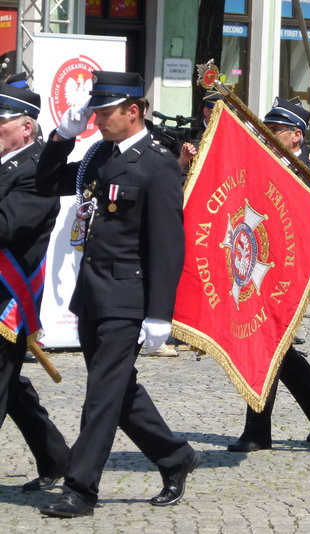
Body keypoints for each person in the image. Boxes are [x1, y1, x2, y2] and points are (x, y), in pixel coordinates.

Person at [35, 71, 198, 517]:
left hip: (127, 294)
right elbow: (48, 183)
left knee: (102, 393)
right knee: (119, 390)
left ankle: (81, 488)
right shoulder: (99, 153)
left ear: (134, 110)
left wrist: (160, 313)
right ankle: (175, 456)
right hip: (92, 291)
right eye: (95, 112)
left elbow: (168, 243)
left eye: (106, 112)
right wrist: (61, 138)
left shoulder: (157, 162)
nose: (98, 119)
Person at [226, 97, 310, 453]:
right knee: (273, 347)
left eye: (274, 130)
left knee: (267, 347)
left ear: (296, 135)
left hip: (294, 277)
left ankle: (257, 430)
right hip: (259, 271)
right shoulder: (261, 167)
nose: (268, 135)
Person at [0, 75, 70, 493]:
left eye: (1, 121)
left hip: (8, 299)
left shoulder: (39, 168)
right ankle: (56, 457)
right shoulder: (6, 162)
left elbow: (8, 226)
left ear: (26, 125)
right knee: (13, 387)